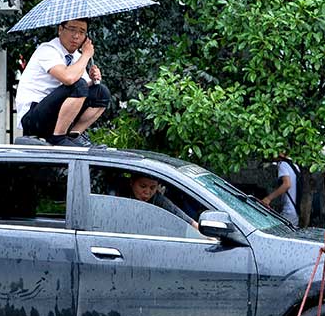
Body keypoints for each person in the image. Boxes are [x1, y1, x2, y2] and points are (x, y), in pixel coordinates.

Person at [15, 18, 111, 147]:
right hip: (33, 116)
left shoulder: (76, 56)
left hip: (56, 116)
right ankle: (58, 138)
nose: (76, 36)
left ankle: (73, 135)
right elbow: (69, 78)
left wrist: (93, 80)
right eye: (72, 29)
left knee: (101, 92)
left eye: (82, 32)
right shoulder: (48, 49)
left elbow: (84, 91)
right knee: (78, 84)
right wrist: (86, 55)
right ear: (60, 29)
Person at [127, 174, 199, 229]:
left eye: (152, 188)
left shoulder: (158, 199)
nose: (147, 192)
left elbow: (182, 216)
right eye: (143, 186)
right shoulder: (118, 194)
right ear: (131, 183)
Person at [261, 158, 299, 225]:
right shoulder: (294, 165)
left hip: (289, 211)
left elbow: (287, 184)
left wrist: (268, 198)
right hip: (296, 210)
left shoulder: (282, 164)